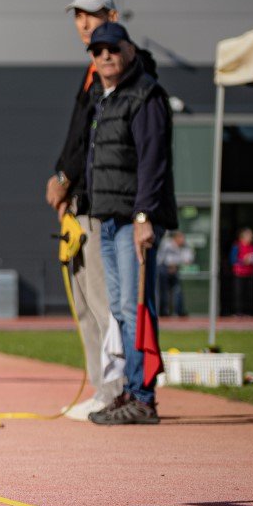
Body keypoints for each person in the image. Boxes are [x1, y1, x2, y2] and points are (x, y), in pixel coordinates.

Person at [81, 22, 177, 426]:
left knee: (135, 307)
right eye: (97, 50)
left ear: (130, 50)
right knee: (119, 311)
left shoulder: (145, 95)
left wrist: (143, 216)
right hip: (107, 217)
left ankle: (143, 396)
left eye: (112, 48)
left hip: (132, 219)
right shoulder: (104, 99)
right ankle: (128, 390)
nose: (105, 56)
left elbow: (152, 162)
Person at [44, 0, 133, 419]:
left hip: (101, 205)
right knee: (84, 306)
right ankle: (101, 387)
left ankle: (116, 390)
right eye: (78, 17)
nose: (83, 24)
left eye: (92, 16)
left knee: (102, 303)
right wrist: (62, 181)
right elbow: (76, 138)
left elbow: (92, 144)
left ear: (112, 16)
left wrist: (64, 177)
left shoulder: (119, 70)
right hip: (79, 203)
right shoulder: (89, 72)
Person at [157, 230, 194, 317]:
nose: (183, 240)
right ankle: (163, 311)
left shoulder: (185, 246)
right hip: (163, 269)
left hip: (175, 269)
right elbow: (160, 257)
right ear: (176, 238)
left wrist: (175, 265)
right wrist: (168, 266)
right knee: (164, 292)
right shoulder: (167, 244)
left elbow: (188, 259)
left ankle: (179, 311)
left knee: (177, 291)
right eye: (181, 238)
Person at [230, 227, 253, 316]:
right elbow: (232, 260)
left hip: (250, 273)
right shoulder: (237, 246)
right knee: (239, 293)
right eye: (250, 235)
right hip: (239, 274)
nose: (252, 237)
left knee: (249, 294)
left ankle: (248, 311)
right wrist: (243, 261)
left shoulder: (252, 247)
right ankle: (238, 312)